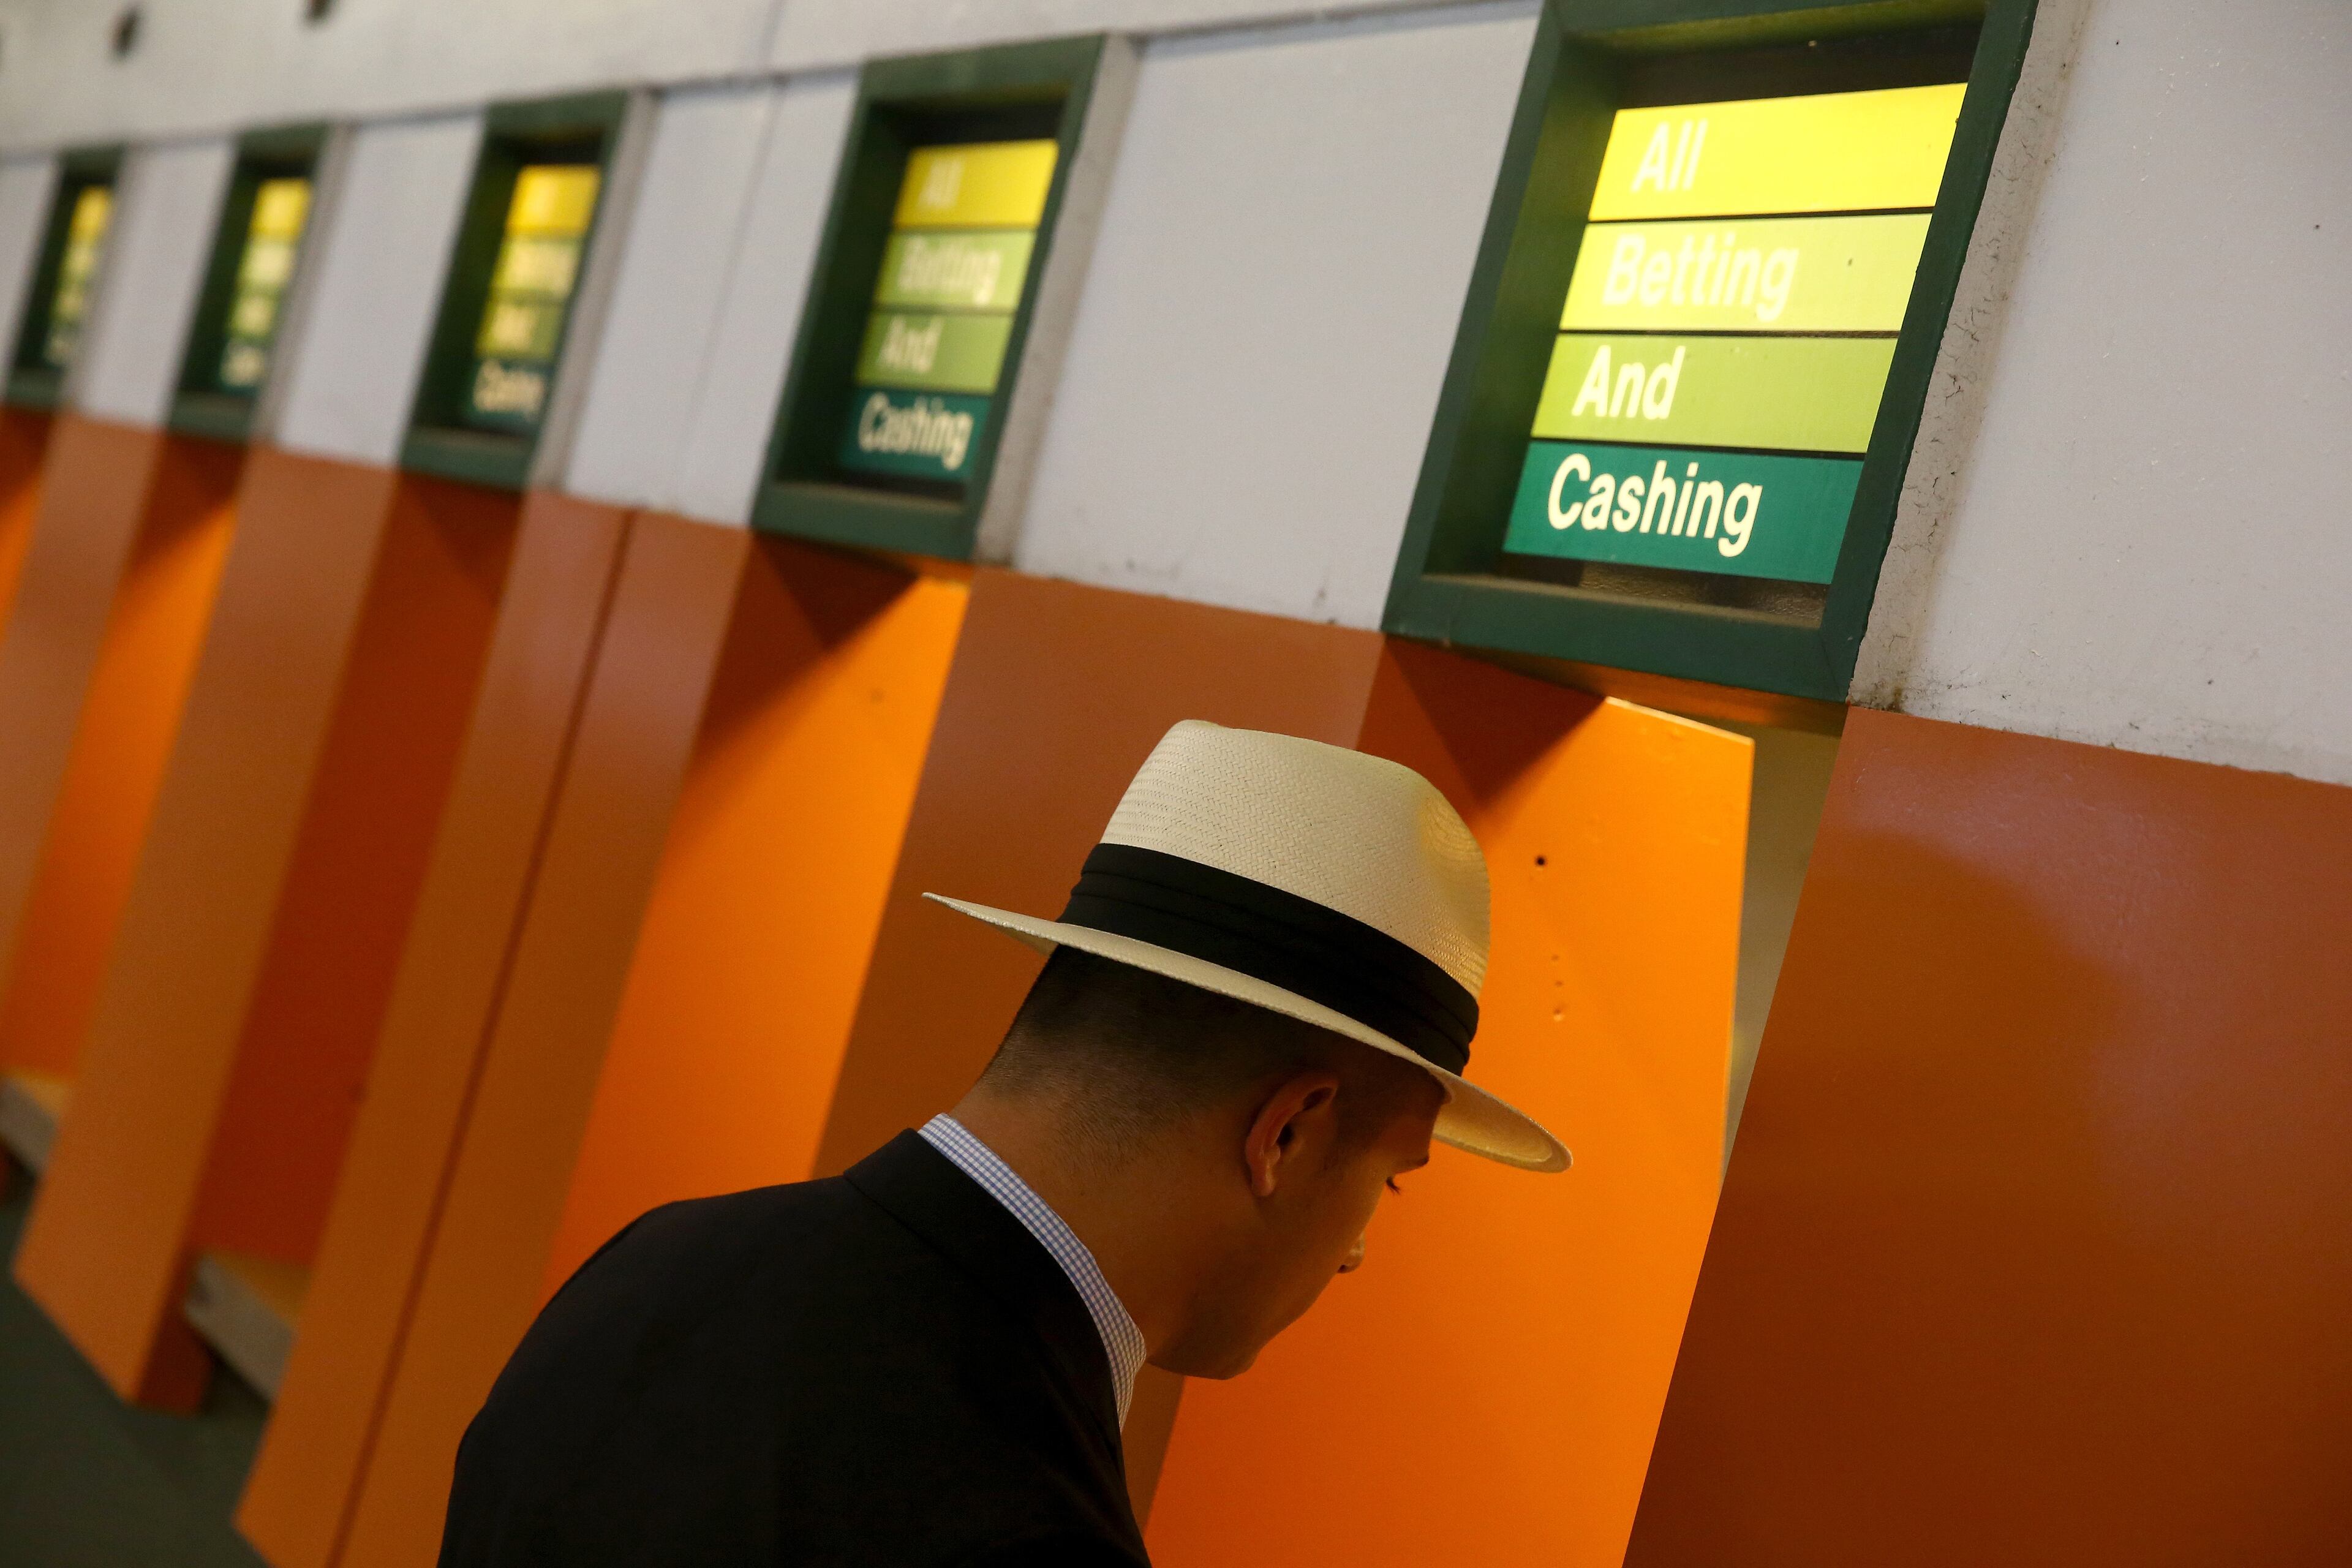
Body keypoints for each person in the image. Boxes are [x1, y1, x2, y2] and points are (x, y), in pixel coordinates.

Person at [439, 720, 1569, 1567]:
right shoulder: (1024, 1517)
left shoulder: (652, 1269)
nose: (1359, 1252)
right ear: (1288, 1132)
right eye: (1391, 1182)